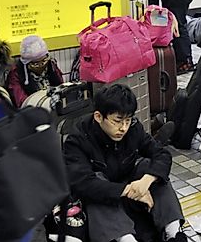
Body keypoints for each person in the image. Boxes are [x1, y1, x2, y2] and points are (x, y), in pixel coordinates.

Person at [64, 84, 186, 242]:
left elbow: (161, 154)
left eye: (127, 120)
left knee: (150, 168)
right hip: (103, 204)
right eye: (117, 121)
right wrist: (128, 190)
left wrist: (146, 180)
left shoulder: (133, 129)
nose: (123, 128)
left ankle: (174, 232)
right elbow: (82, 183)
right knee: (96, 184)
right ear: (98, 117)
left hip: (132, 194)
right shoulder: (77, 139)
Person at [5, 34, 64, 107]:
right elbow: (21, 102)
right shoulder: (16, 73)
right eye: (35, 63)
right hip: (31, 111)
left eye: (43, 61)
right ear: (26, 62)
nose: (40, 65)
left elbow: (60, 84)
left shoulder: (51, 64)